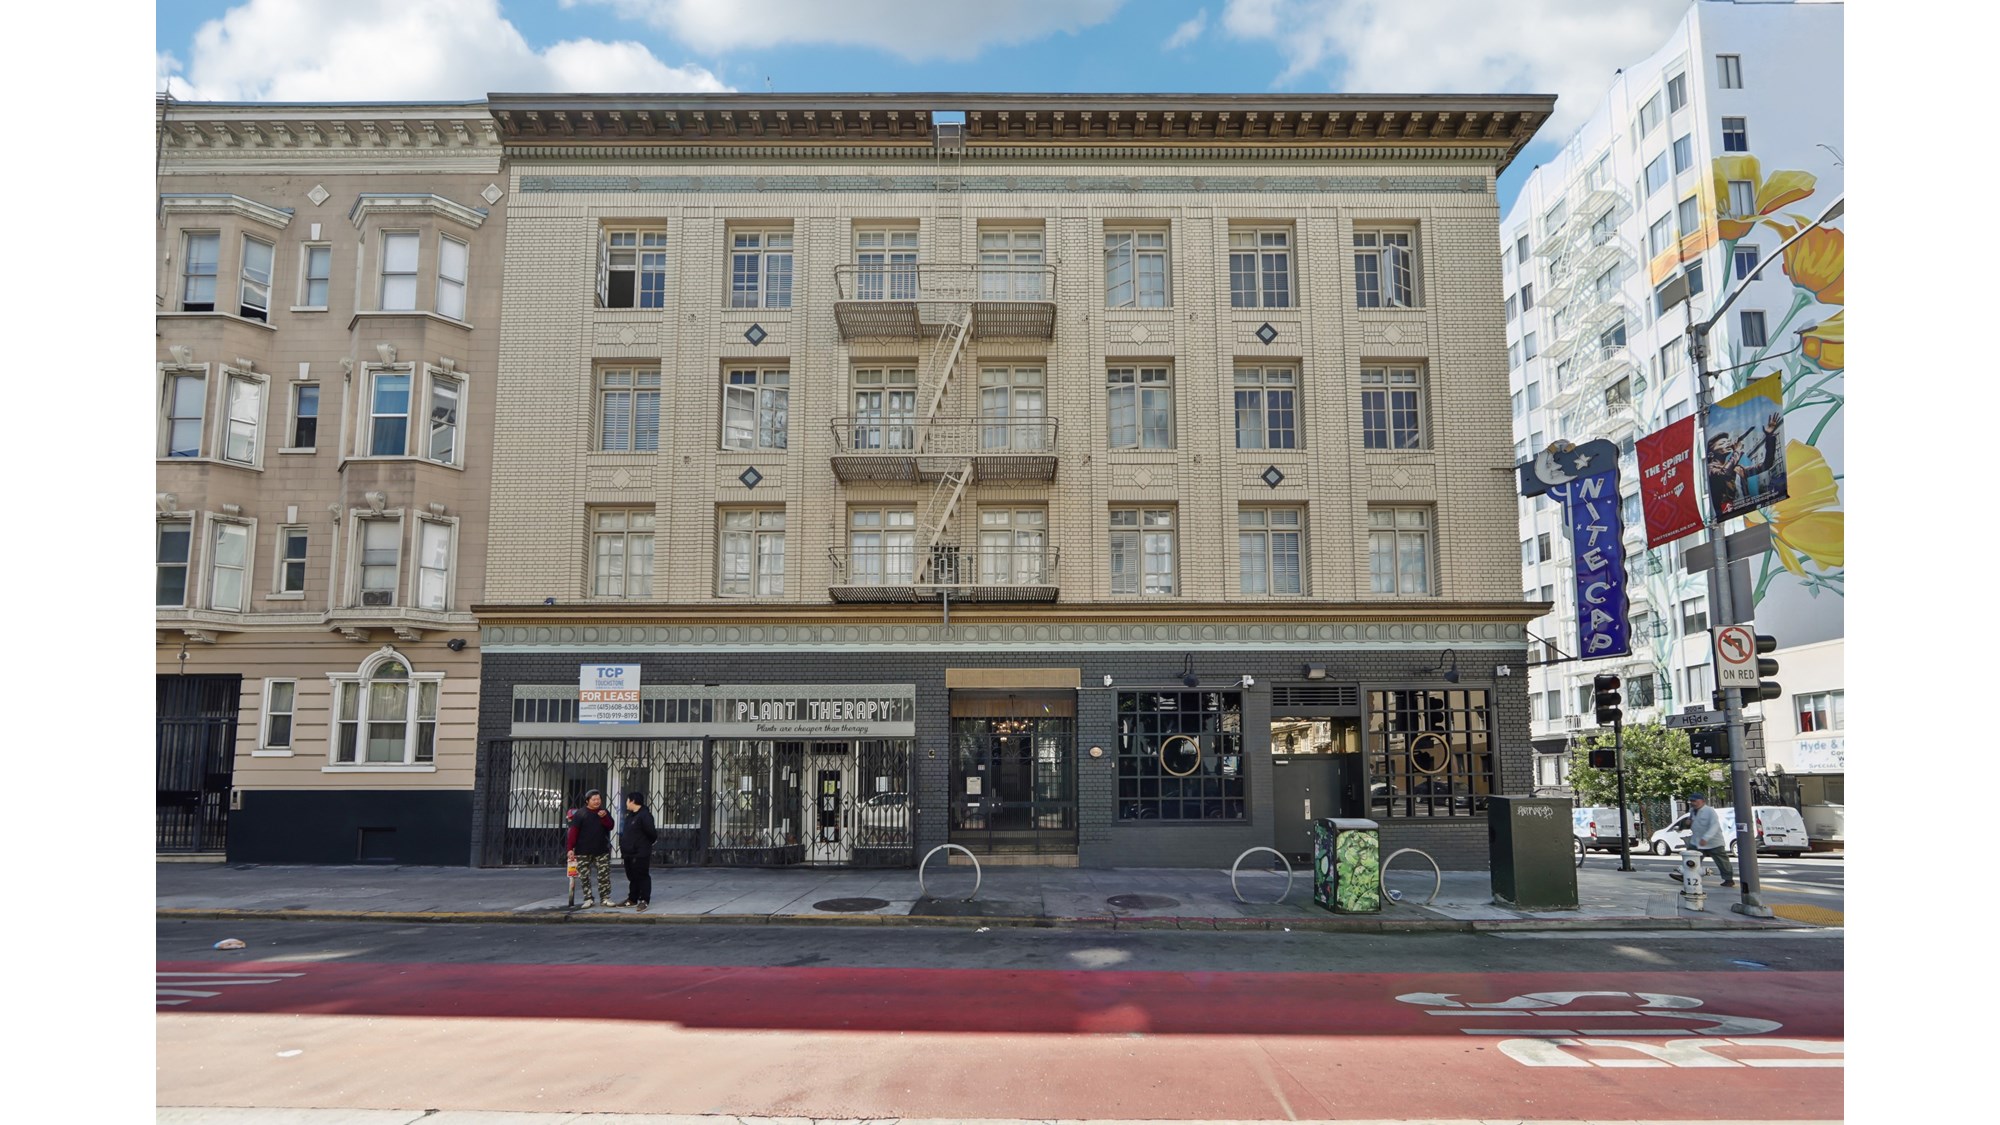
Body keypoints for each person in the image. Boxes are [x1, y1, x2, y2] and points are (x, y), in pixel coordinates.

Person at [1668, 793, 1736, 887]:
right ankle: (1686, 875)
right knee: (1690, 858)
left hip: (1713, 841)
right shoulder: (1692, 811)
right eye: (1691, 801)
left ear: (1702, 801)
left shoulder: (1709, 811)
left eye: (1695, 801)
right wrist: (1687, 824)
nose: (1693, 803)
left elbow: (1714, 826)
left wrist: (1706, 838)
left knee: (1721, 861)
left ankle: (1728, 879)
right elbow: (1692, 823)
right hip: (1697, 841)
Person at [565, 789, 616, 908]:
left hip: (601, 850)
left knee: (604, 875)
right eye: (594, 799)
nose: (597, 801)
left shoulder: (603, 812)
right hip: (583, 851)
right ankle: (588, 898)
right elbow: (573, 832)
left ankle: (605, 898)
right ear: (587, 801)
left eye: (598, 799)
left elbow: (610, 826)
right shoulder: (581, 814)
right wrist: (570, 848)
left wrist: (604, 817)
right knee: (584, 876)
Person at [617, 791, 659, 910]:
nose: (626, 803)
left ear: (633, 801)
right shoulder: (630, 816)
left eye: (627, 800)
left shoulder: (645, 816)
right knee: (632, 876)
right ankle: (632, 899)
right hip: (628, 852)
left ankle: (644, 900)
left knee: (642, 876)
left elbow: (652, 833)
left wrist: (642, 845)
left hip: (640, 852)